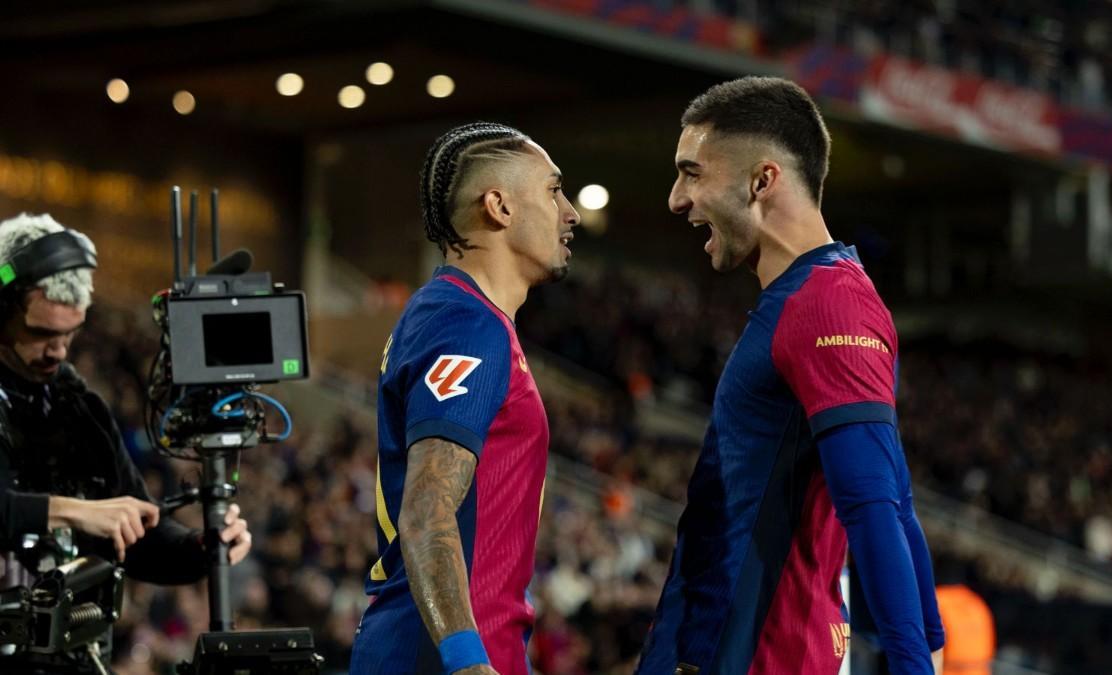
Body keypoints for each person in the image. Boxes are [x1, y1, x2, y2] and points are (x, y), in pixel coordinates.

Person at [636, 77, 945, 674]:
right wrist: (928, 635)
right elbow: (897, 496)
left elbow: (876, 506)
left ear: (761, 181)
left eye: (692, 173)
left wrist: (915, 663)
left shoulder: (828, 305)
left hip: (760, 653)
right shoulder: (815, 297)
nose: (676, 199)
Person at [350, 122, 579, 675]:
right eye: (553, 191)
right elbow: (427, 509)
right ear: (498, 206)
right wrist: (467, 661)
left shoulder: (459, 315)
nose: (570, 212)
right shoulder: (466, 324)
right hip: (439, 656)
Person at [0, 213, 252, 671]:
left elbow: (137, 536)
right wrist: (75, 510)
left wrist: (202, 547)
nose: (58, 350)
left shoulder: (80, 407)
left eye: (69, 332)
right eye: (41, 334)